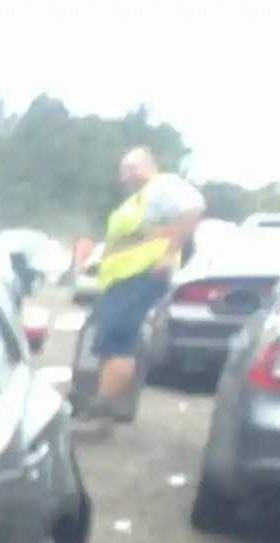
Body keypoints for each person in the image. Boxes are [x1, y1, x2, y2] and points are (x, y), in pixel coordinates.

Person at [76, 148, 205, 438]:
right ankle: (102, 412)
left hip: (140, 276)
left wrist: (170, 253)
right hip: (124, 277)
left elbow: (194, 208)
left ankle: (101, 416)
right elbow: (132, 238)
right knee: (110, 342)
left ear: (150, 165)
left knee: (117, 342)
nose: (126, 175)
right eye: (123, 170)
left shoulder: (164, 186)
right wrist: (101, 262)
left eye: (132, 168)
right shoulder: (141, 197)